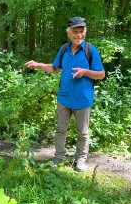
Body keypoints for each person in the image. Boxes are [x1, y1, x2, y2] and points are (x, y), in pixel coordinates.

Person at [25, 17, 105, 171]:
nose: (79, 35)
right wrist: (38, 65)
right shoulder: (64, 49)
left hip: (83, 99)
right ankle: (58, 158)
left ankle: (80, 160)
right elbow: (55, 68)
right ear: (69, 33)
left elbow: (101, 74)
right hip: (64, 98)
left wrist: (85, 72)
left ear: (85, 32)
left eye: (81, 32)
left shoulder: (90, 50)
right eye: (75, 32)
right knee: (61, 130)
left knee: (82, 133)